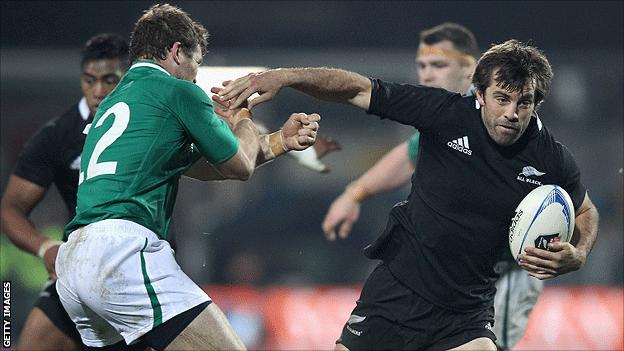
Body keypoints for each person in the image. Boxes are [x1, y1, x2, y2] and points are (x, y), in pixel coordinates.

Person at [216, 39, 600, 350]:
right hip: (397, 294)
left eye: (524, 103)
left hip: (466, 313)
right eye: (502, 98)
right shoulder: (445, 113)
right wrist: (284, 77)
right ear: (480, 94)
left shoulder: (549, 155)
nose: (513, 113)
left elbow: (586, 212)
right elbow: (357, 89)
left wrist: (578, 254)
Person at [53, 4, 319, 350]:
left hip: (74, 261)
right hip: (122, 253)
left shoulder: (114, 103)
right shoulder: (177, 91)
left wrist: (281, 141)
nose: (195, 77)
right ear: (177, 51)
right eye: (195, 64)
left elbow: (209, 167)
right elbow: (240, 166)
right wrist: (241, 115)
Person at [319, 22, 533, 350]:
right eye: (422, 66)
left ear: (470, 69)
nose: (427, 75)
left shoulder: (502, 118)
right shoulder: (449, 119)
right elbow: (408, 154)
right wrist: (354, 193)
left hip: (502, 274)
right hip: (449, 279)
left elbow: (564, 186)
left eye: (438, 65)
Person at [0, 33, 129, 350]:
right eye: (89, 80)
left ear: (129, 77)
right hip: (81, 269)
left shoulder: (156, 121)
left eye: (109, 80)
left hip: (146, 266)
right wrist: (46, 248)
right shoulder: (58, 135)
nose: (98, 91)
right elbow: (11, 208)